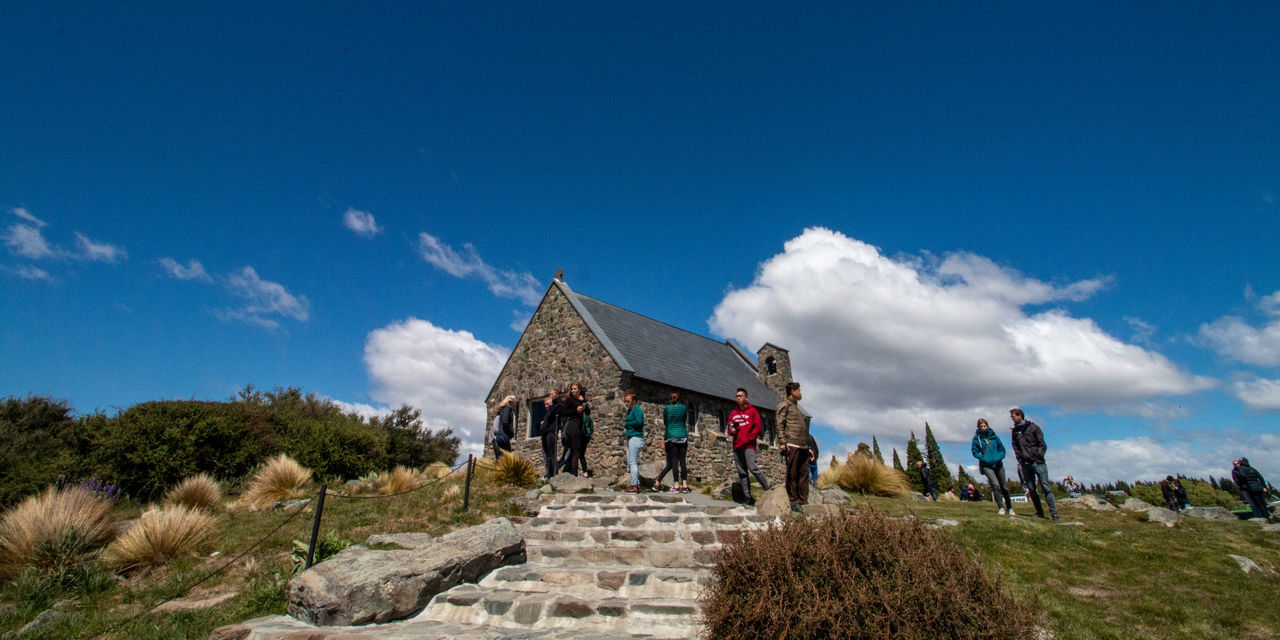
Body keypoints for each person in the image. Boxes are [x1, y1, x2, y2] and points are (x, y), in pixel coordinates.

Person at [1010, 407, 1059, 522]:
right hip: (1025, 464)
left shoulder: (1034, 428)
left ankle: (1054, 514)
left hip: (1038, 462)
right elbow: (1015, 446)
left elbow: (1042, 444)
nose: (1012, 419)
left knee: (1045, 486)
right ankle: (1040, 512)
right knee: (1031, 489)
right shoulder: (1015, 431)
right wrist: (1020, 459)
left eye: (1013, 416)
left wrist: (1038, 456)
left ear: (1019, 416)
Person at [728, 388, 770, 505]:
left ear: (746, 398)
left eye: (740, 396)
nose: (738, 398)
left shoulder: (753, 412)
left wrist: (748, 439)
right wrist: (732, 431)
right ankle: (747, 497)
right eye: (737, 396)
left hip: (749, 446)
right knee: (742, 473)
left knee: (753, 468)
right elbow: (730, 429)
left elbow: (758, 428)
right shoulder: (733, 414)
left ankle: (768, 489)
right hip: (737, 446)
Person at [777, 381, 810, 512]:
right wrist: (783, 442)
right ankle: (793, 500)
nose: (800, 393)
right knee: (792, 473)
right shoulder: (784, 405)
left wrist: (809, 447)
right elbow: (780, 423)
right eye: (799, 390)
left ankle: (803, 499)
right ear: (792, 391)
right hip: (792, 444)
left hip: (803, 445)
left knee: (803, 473)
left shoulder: (797, 408)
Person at [972, 418, 1014, 515]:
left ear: (987, 426)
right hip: (986, 465)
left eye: (984, 426)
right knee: (995, 485)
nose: (983, 428)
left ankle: (1010, 507)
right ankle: (1000, 507)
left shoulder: (994, 437)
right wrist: (983, 458)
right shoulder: (976, 439)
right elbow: (975, 451)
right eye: (981, 426)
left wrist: (998, 458)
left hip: (998, 463)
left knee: (1004, 486)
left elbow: (1002, 449)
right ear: (978, 428)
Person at [655, 392, 691, 493]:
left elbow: (666, 422)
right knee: (682, 461)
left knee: (674, 462)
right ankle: (685, 486)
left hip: (671, 436)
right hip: (682, 436)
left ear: (670, 399)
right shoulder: (683, 408)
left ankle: (676, 486)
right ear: (678, 398)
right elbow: (684, 419)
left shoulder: (667, 409)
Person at [561, 382, 591, 477]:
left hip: (579, 425)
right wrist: (575, 410)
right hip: (572, 424)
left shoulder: (581, 400)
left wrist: (583, 401)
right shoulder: (570, 400)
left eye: (575, 389)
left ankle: (568, 472)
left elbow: (588, 411)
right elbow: (564, 412)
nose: (573, 391)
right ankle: (574, 474)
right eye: (572, 389)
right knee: (575, 449)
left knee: (576, 449)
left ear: (579, 390)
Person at [622, 389, 644, 493]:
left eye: (628, 401)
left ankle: (634, 485)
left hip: (636, 437)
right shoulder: (630, 411)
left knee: (632, 461)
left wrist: (627, 422)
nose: (626, 403)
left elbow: (639, 421)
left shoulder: (637, 409)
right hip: (631, 437)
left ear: (634, 401)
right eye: (625, 401)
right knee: (630, 462)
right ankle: (636, 484)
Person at [539, 391, 563, 480]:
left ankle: (553, 473)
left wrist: (554, 401)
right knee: (547, 454)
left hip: (551, 432)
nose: (546, 406)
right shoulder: (548, 412)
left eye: (548, 404)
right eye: (545, 404)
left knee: (551, 454)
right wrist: (542, 425)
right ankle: (548, 473)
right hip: (545, 433)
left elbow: (555, 414)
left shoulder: (555, 407)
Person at [491, 395, 516, 461]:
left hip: (500, 436)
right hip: (503, 436)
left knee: (501, 459)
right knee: (508, 460)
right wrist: (511, 432)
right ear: (512, 401)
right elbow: (505, 422)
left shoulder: (502, 409)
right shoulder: (507, 409)